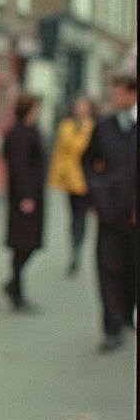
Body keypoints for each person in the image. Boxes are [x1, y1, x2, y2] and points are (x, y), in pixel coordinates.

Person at [82, 72, 137, 352]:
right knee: (108, 268)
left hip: (134, 217)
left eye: (119, 92)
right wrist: (97, 192)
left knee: (131, 268)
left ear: (133, 94)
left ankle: (127, 315)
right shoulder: (103, 126)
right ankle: (112, 327)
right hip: (109, 213)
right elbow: (88, 162)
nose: (114, 96)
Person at [1, 93, 46, 312]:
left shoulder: (29, 130)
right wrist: (25, 196)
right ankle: (16, 290)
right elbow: (18, 167)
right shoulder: (20, 133)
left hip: (33, 195)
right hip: (25, 198)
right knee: (22, 244)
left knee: (28, 244)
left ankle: (14, 285)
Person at [47, 94, 96, 275]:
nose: (80, 109)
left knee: (81, 217)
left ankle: (78, 248)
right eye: (78, 106)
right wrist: (55, 178)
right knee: (74, 216)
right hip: (70, 179)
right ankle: (74, 248)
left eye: (83, 106)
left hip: (87, 180)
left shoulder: (94, 127)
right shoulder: (66, 126)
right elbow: (59, 153)